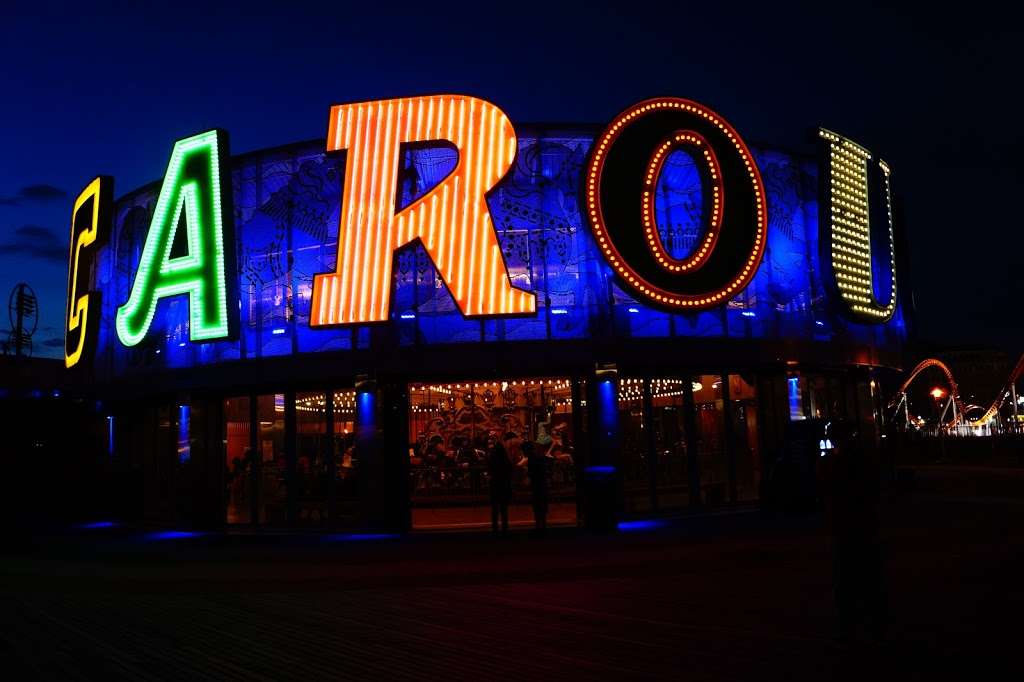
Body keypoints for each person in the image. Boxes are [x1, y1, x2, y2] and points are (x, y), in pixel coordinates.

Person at [818, 420, 887, 643]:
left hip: (847, 525)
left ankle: (851, 621)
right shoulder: (862, 459)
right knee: (867, 571)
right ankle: (872, 617)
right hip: (862, 523)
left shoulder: (835, 463)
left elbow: (828, 489)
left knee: (847, 574)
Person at [486, 431, 512, 535]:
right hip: (503, 483)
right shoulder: (505, 459)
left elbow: (490, 466)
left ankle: (495, 529)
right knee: (504, 509)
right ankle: (505, 528)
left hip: (495, 483)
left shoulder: (493, 457)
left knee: (495, 508)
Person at [524, 440, 549, 536]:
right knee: (541, 507)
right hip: (542, 485)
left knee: (538, 507)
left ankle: (539, 527)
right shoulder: (539, 458)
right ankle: (542, 527)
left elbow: (532, 473)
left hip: (537, 485)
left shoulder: (532, 459)